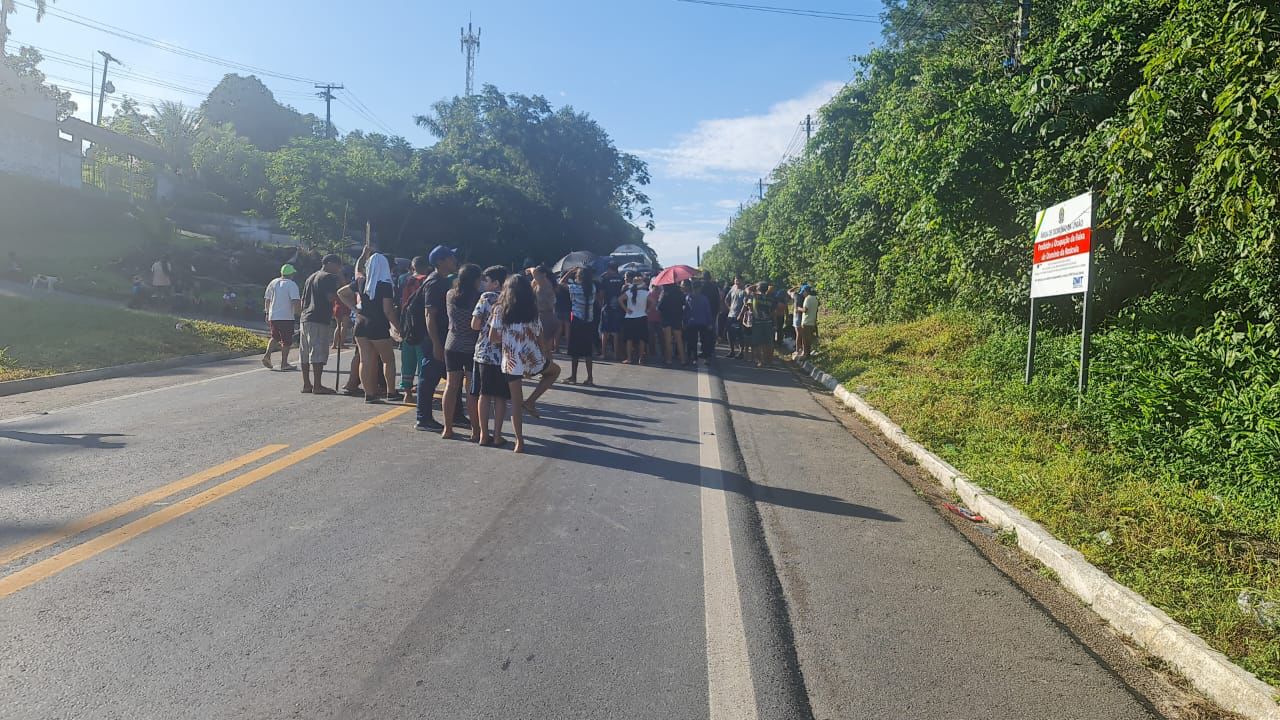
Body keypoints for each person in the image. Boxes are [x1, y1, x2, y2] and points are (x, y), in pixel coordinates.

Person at [488, 274, 544, 454]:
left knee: (515, 402)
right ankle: (532, 400)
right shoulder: (532, 310)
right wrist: (544, 353)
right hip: (532, 357)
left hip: (511, 360)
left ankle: (519, 441)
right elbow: (539, 335)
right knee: (554, 372)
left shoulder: (500, 309)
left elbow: (492, 337)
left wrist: (508, 339)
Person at [345, 247, 402, 404]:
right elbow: (388, 310)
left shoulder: (361, 281)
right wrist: (398, 327)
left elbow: (342, 292)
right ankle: (391, 391)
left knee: (365, 360)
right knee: (388, 359)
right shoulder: (385, 285)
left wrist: (355, 309)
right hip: (378, 324)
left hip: (361, 323)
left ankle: (369, 394)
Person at [415, 245, 463, 431]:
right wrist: (435, 344)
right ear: (440, 261)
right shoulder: (434, 283)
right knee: (429, 378)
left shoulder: (441, 280)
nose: (454, 260)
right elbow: (429, 315)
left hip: (442, 336)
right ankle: (423, 419)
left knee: (454, 377)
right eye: (450, 257)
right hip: (434, 337)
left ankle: (456, 415)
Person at [441, 264, 483, 439]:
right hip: (472, 346)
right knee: (471, 390)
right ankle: (475, 431)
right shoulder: (478, 298)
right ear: (475, 280)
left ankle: (447, 428)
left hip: (452, 344)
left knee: (451, 386)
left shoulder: (450, 295)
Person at [298, 254, 348, 395]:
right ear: (330, 263)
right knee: (318, 352)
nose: (339, 269)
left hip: (305, 317)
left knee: (305, 352)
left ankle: (307, 384)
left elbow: (303, 300)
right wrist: (341, 285)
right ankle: (317, 385)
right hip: (319, 318)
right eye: (338, 266)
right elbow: (331, 297)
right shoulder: (329, 277)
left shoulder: (311, 277)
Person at [472, 265, 510, 446]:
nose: (483, 284)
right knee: (500, 397)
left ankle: (483, 434)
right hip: (503, 354)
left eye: (486, 280)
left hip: (484, 353)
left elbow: (474, 324)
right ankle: (497, 435)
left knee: (484, 394)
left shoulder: (486, 297)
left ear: (495, 283)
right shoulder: (510, 299)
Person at [398, 256, 429, 401]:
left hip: (406, 324)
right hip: (422, 325)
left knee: (407, 360)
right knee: (423, 360)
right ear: (426, 267)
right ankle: (423, 391)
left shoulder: (403, 280)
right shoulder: (427, 281)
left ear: (412, 267)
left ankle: (407, 393)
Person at [564, 266, 601, 385]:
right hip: (589, 321)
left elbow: (561, 283)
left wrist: (570, 272)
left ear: (579, 276)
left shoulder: (575, 288)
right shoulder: (593, 288)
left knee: (575, 351)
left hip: (577, 320)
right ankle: (590, 377)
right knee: (587, 351)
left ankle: (573, 377)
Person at [262, 264, 301, 371]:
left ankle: (267, 355)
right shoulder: (291, 284)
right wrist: (299, 314)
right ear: (291, 274)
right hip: (286, 317)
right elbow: (295, 301)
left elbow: (267, 299)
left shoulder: (273, 282)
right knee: (286, 340)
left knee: (275, 337)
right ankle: (284, 363)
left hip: (273, 315)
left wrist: (267, 313)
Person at [619, 272, 650, 364]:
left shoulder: (629, 292)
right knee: (642, 339)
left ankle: (629, 358)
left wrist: (626, 309)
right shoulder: (646, 293)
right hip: (642, 317)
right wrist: (648, 310)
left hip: (630, 317)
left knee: (629, 339)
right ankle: (640, 358)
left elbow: (619, 299)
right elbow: (654, 301)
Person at [530, 265, 560, 359]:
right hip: (546, 315)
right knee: (546, 348)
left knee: (543, 348)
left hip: (545, 317)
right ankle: (548, 365)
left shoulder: (544, 282)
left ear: (544, 274)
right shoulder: (540, 283)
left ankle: (547, 365)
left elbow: (534, 273)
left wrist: (530, 269)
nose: (535, 276)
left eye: (537, 274)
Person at [598, 261, 626, 360]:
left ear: (609, 269)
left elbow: (601, 294)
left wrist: (601, 304)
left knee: (605, 332)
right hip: (619, 308)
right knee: (616, 332)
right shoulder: (622, 279)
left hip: (607, 307)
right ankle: (616, 354)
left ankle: (603, 354)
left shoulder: (605, 279)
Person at [683, 279, 714, 366]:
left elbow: (686, 312)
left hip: (691, 322)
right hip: (703, 322)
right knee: (705, 341)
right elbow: (708, 311)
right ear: (700, 288)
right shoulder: (704, 298)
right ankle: (706, 358)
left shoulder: (688, 297)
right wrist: (710, 323)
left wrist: (684, 322)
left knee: (692, 341)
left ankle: (693, 358)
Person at [749, 281, 778, 367]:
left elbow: (748, 289)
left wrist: (756, 284)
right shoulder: (772, 299)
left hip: (757, 322)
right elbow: (773, 312)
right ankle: (769, 361)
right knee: (769, 343)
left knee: (758, 343)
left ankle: (760, 361)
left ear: (758, 288)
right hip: (768, 322)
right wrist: (775, 324)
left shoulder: (754, 296)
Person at [658, 281, 687, 366]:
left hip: (666, 318)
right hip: (677, 317)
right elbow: (684, 303)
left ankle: (669, 360)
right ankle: (683, 360)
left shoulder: (664, 292)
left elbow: (660, 307)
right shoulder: (679, 292)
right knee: (679, 339)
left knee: (668, 340)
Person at [725, 276, 747, 359]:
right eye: (735, 280)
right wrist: (729, 308)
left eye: (738, 280)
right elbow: (726, 299)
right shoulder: (733, 288)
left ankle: (741, 352)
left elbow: (745, 304)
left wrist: (741, 314)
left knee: (739, 334)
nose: (736, 282)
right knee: (729, 333)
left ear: (742, 281)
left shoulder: (744, 291)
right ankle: (732, 351)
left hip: (740, 316)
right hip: (731, 315)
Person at [700, 271, 723, 348]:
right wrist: (718, 308)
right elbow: (717, 299)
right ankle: (711, 346)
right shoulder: (714, 286)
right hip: (713, 310)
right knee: (711, 328)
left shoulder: (702, 287)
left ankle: (704, 346)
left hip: (703, 311)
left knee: (703, 329)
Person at [799, 286, 820, 359]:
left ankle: (805, 354)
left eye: (803, 292)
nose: (803, 294)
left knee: (805, 340)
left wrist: (798, 308)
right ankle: (808, 354)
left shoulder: (807, 298)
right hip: (812, 322)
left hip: (806, 322)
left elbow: (805, 310)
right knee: (809, 339)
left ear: (806, 291)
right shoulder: (816, 298)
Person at [645, 280, 663, 362]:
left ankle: (652, 352)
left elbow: (645, 306)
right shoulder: (661, 294)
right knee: (661, 336)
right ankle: (664, 351)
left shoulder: (649, 294)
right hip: (659, 317)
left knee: (651, 336)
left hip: (650, 317)